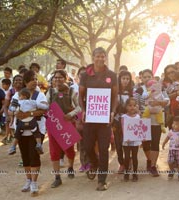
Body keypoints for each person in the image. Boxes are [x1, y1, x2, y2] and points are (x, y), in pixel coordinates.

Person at [79, 47, 118, 191]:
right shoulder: (85, 75)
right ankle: (94, 164)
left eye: (103, 56)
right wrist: (83, 110)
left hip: (105, 118)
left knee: (104, 149)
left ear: (106, 58)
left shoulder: (112, 75)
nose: (100, 59)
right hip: (89, 117)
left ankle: (102, 180)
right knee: (88, 147)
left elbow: (115, 96)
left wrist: (113, 112)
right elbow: (80, 95)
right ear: (93, 57)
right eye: (98, 56)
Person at [12, 70, 48, 196]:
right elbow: (14, 110)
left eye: (36, 79)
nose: (35, 81)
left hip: (37, 129)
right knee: (25, 155)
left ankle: (34, 182)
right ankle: (28, 180)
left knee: (34, 155)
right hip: (21, 130)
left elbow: (43, 110)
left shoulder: (40, 95)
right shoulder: (18, 95)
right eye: (33, 79)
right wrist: (16, 113)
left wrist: (29, 113)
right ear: (26, 81)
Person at [46, 70, 81, 188]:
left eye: (60, 77)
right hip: (54, 125)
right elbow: (45, 106)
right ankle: (57, 177)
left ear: (66, 78)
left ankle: (70, 167)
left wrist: (70, 115)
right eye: (55, 78)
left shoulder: (72, 92)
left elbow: (79, 108)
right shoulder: (50, 92)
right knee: (54, 151)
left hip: (68, 125)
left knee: (69, 150)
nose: (58, 80)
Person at [134, 69, 169, 177]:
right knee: (145, 144)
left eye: (149, 76)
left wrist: (158, 102)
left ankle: (153, 166)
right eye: (144, 77)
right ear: (141, 78)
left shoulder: (160, 88)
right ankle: (149, 160)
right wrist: (137, 111)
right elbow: (134, 103)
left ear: (152, 77)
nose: (147, 78)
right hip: (144, 120)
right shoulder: (139, 90)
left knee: (155, 142)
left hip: (156, 121)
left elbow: (167, 101)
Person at [13, 88, 48, 154]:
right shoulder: (33, 102)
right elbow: (45, 107)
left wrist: (15, 112)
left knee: (17, 134)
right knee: (36, 133)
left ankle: (13, 146)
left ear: (23, 96)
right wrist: (44, 104)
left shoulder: (18, 102)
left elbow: (12, 110)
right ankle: (39, 144)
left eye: (20, 96)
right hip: (32, 122)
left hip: (21, 123)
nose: (19, 97)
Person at [113, 70, 133, 174]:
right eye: (123, 78)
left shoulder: (132, 92)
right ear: (119, 79)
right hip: (116, 120)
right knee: (118, 143)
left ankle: (128, 161)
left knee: (128, 143)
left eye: (127, 79)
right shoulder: (114, 91)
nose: (125, 81)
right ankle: (121, 163)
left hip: (129, 121)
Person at [122, 98, 140, 182]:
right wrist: (126, 137)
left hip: (135, 141)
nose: (132, 107)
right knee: (126, 157)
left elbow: (140, 128)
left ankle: (135, 174)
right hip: (127, 140)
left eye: (134, 105)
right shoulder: (124, 117)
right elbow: (123, 128)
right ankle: (126, 173)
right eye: (130, 105)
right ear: (126, 107)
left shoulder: (138, 117)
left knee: (135, 157)